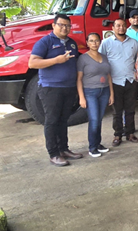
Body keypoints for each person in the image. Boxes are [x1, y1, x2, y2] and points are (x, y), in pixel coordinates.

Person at [28, 14, 83, 166]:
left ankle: (64, 149)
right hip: (50, 88)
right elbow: (32, 63)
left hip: (69, 88)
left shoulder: (72, 43)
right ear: (53, 25)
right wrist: (56, 60)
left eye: (68, 26)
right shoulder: (45, 42)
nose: (65, 28)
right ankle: (53, 153)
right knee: (52, 121)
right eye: (61, 25)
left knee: (63, 120)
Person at [99, 19, 138, 146]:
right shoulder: (106, 43)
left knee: (130, 109)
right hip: (115, 82)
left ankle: (130, 133)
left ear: (126, 27)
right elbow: (101, 60)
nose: (121, 28)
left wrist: (136, 72)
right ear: (113, 28)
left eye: (123, 25)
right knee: (117, 111)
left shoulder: (134, 43)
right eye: (118, 26)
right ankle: (117, 135)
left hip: (130, 80)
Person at [77, 33, 114, 157]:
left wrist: (111, 93)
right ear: (87, 43)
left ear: (100, 42)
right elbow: (79, 79)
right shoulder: (83, 58)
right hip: (90, 92)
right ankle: (92, 147)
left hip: (104, 91)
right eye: (91, 41)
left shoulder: (104, 57)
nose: (94, 43)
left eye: (97, 40)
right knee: (94, 119)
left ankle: (98, 144)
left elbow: (109, 75)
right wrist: (81, 97)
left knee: (99, 119)